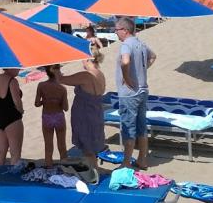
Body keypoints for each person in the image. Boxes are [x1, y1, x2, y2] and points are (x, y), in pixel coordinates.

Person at [115, 16, 156, 170]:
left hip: (130, 93)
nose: (116, 33)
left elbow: (125, 61)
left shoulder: (126, 45)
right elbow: (153, 56)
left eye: (117, 30)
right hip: (143, 90)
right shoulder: (141, 43)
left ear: (125, 30)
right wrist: (141, 72)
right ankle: (142, 159)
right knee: (141, 126)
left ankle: (126, 163)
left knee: (128, 127)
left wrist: (126, 77)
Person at [59, 42, 107, 168]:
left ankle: (92, 174)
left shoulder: (86, 75)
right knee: (92, 146)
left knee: (88, 149)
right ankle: (94, 171)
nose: (82, 62)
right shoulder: (100, 74)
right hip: (95, 113)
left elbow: (61, 80)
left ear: (87, 59)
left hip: (85, 115)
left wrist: (55, 69)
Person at [0, 68, 24, 167]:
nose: (19, 69)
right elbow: (17, 101)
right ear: (10, 68)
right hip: (11, 117)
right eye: (17, 67)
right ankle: (14, 178)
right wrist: (21, 111)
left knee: (0, 150)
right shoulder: (12, 81)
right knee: (15, 152)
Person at [34, 65, 70, 164]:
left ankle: (49, 167)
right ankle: (65, 168)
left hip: (47, 117)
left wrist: (45, 101)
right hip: (59, 116)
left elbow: (36, 104)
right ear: (56, 71)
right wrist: (56, 101)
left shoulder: (41, 85)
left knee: (48, 146)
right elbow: (66, 108)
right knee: (62, 145)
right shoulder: (62, 88)